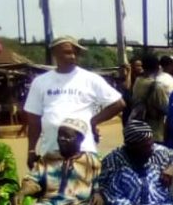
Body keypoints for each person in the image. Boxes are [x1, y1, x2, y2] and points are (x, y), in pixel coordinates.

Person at [23, 36, 124, 168]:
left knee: (84, 188)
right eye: (67, 52)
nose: (72, 56)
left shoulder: (90, 79)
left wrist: (92, 121)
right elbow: (34, 120)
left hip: (83, 151)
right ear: (54, 53)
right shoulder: (40, 82)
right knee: (51, 188)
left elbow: (118, 104)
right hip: (50, 151)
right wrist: (31, 150)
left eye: (75, 53)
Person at [131, 53, 173, 141]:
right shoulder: (156, 86)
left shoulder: (137, 82)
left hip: (138, 129)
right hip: (154, 132)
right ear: (158, 67)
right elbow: (166, 109)